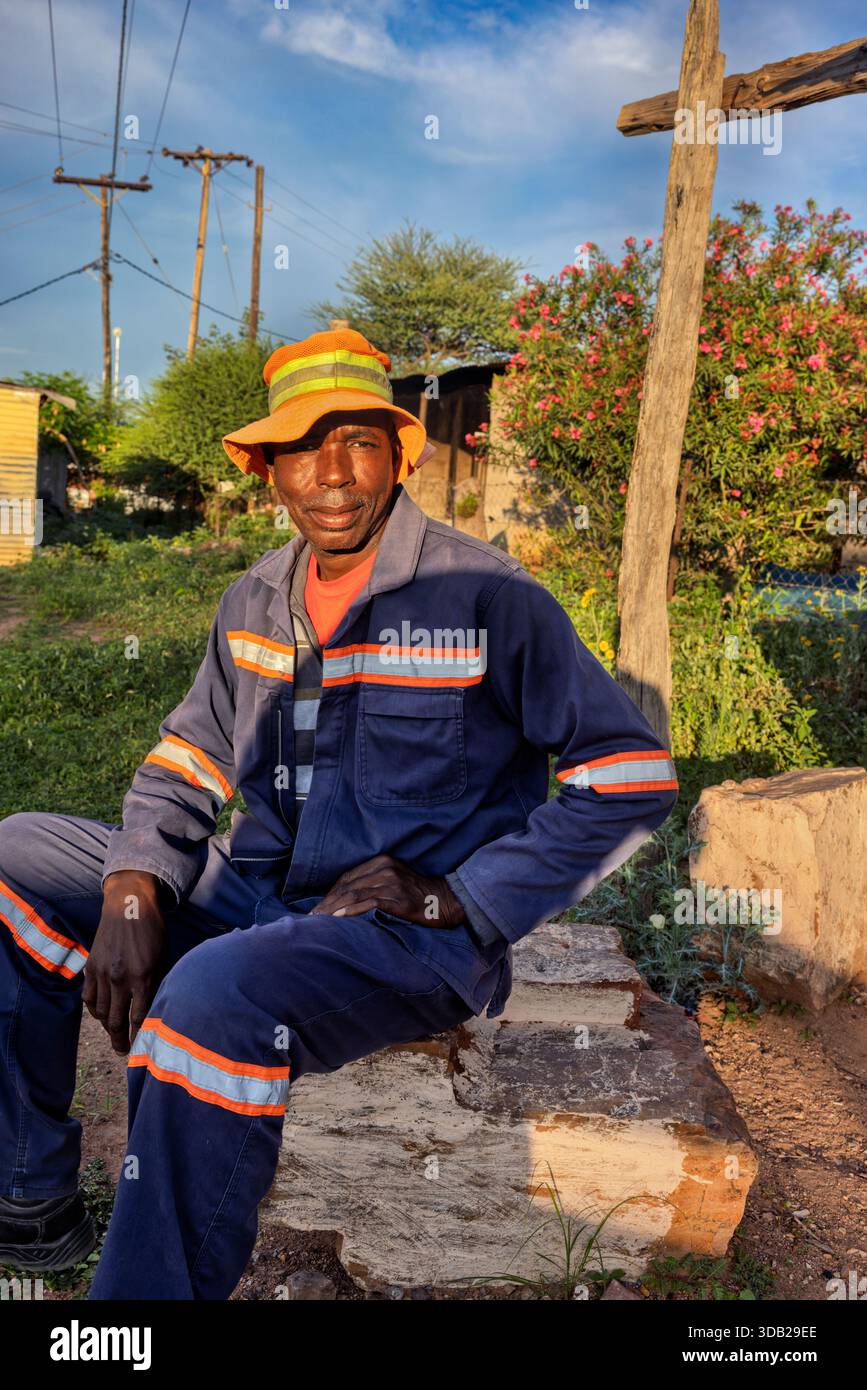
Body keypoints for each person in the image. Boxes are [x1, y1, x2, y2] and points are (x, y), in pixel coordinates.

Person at [0, 329, 678, 1299]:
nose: (331, 474)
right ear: (265, 467)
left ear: (401, 453)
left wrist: (461, 897)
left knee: (207, 1002)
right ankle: (30, 1194)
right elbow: (188, 757)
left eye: (358, 440)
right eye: (300, 447)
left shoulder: (487, 596)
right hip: (252, 895)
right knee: (16, 854)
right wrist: (132, 884)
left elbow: (630, 771)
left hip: (397, 942)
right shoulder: (253, 601)